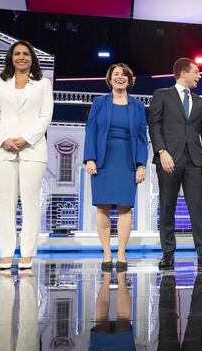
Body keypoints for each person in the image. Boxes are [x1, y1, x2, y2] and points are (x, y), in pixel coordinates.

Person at [0, 40, 53, 271]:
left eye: (26, 53)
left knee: (30, 204)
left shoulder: (43, 84)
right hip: (3, 149)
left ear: (32, 58)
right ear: (11, 57)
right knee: (5, 203)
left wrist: (26, 138)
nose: (22, 57)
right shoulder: (0, 83)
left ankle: (27, 254)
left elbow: (45, 116)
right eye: (17, 54)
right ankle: (5, 253)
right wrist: (4, 139)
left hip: (32, 150)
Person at [148, 58, 202, 269]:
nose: (199, 75)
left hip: (195, 161)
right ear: (183, 73)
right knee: (168, 207)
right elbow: (154, 125)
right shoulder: (162, 95)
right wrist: (161, 151)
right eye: (196, 71)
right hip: (168, 159)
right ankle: (168, 254)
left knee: (198, 209)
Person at [84, 64, 148, 272]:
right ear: (110, 79)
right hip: (103, 160)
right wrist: (90, 159)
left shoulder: (137, 106)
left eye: (124, 75)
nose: (120, 78)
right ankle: (106, 253)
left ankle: (121, 252)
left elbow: (141, 137)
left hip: (127, 161)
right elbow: (91, 131)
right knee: (102, 207)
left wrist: (141, 164)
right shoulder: (99, 103)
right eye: (116, 75)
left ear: (129, 80)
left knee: (125, 208)